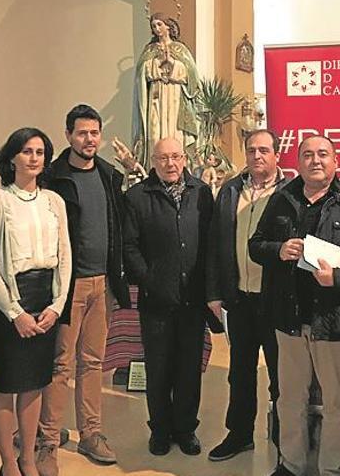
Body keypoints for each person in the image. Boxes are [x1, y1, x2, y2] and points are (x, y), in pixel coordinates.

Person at [250, 135, 340, 476]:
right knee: (290, 399)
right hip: (290, 319)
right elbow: (256, 245)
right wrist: (278, 250)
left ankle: (332, 469)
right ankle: (292, 465)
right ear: (297, 162)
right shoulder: (282, 199)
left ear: (335, 159)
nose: (315, 160)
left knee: (337, 405)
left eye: (322, 154)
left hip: (336, 320)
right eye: (308, 155)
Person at [36, 104, 131, 473]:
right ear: (68, 135)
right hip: (67, 286)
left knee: (93, 363)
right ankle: (48, 440)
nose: (89, 139)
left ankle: (91, 432)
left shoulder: (109, 175)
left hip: (102, 284)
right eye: (81, 133)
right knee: (61, 364)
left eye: (94, 133)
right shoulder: (53, 177)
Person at [0, 128, 71, 476]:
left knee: (33, 385)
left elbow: (65, 256)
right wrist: (15, 313)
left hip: (45, 300)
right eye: (27, 151)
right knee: (6, 385)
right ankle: (7, 464)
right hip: (7, 304)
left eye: (40, 152)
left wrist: (57, 306)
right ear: (12, 157)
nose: (34, 158)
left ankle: (28, 459)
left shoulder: (54, 202)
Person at [122, 137, 214, 457]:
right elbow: (129, 247)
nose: (171, 164)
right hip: (156, 301)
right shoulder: (136, 197)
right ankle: (160, 429)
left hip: (193, 300)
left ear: (184, 158)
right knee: (159, 369)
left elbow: (210, 242)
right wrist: (149, 279)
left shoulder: (201, 192)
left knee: (189, 368)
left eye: (176, 157)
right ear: (153, 162)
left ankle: (186, 429)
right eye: (163, 158)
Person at [205, 129, 289, 462]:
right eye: (252, 150)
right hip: (238, 297)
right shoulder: (229, 190)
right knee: (239, 371)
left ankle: (285, 441)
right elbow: (214, 243)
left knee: (281, 376)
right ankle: (239, 434)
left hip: (275, 300)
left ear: (276, 154)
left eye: (264, 150)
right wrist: (214, 292)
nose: (257, 156)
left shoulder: (290, 192)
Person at [132, 13, 200, 168]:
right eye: (153, 26)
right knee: (155, 134)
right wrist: (157, 64)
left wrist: (172, 64)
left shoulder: (180, 49)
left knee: (175, 136)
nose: (156, 29)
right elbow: (141, 74)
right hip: (156, 96)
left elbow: (192, 77)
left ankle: (177, 169)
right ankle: (154, 170)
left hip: (175, 96)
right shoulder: (150, 50)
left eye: (159, 25)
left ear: (168, 26)